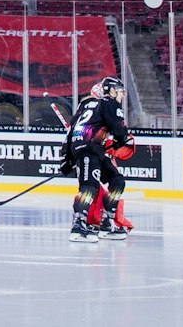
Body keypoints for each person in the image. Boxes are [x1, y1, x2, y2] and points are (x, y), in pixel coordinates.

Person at [61, 76, 131, 244]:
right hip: (88, 150)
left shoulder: (85, 107)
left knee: (117, 180)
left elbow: (71, 132)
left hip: (90, 150)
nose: (122, 96)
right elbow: (119, 128)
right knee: (89, 187)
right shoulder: (109, 103)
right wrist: (121, 139)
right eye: (121, 92)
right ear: (112, 91)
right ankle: (78, 227)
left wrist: (66, 157)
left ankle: (107, 222)